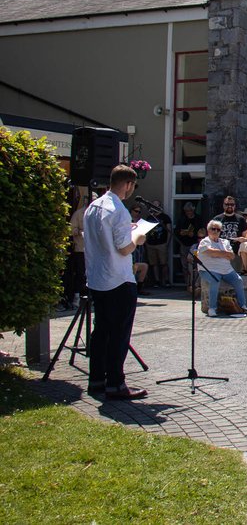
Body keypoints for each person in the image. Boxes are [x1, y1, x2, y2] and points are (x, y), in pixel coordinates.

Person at [83, 165, 148, 400]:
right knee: (119, 335)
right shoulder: (119, 209)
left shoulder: (94, 206)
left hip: (97, 278)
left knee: (100, 332)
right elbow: (123, 248)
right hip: (118, 279)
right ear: (129, 185)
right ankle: (116, 384)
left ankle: (96, 380)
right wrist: (138, 238)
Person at [198, 220, 247, 317]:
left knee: (238, 280)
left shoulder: (225, 242)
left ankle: (242, 306)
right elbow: (210, 252)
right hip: (208, 270)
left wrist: (217, 253)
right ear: (208, 230)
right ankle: (212, 308)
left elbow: (231, 256)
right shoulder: (205, 241)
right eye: (213, 229)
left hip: (226, 270)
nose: (215, 231)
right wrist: (223, 253)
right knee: (215, 281)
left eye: (218, 229)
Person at [142, 201, 172, 287]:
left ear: (160, 207)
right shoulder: (149, 217)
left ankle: (166, 280)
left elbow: (169, 230)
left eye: (156, 205)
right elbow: (146, 231)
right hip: (150, 243)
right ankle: (157, 281)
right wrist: (146, 242)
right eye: (153, 205)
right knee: (153, 264)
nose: (154, 207)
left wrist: (167, 242)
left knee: (164, 263)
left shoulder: (165, 217)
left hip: (162, 243)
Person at [175, 202, 202, 291]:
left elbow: (202, 231)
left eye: (189, 211)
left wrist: (194, 235)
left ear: (193, 210)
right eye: (186, 211)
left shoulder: (198, 219)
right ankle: (188, 284)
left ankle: (196, 285)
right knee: (185, 265)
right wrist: (181, 233)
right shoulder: (182, 219)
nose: (188, 213)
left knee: (196, 265)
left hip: (195, 245)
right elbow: (176, 231)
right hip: (184, 245)